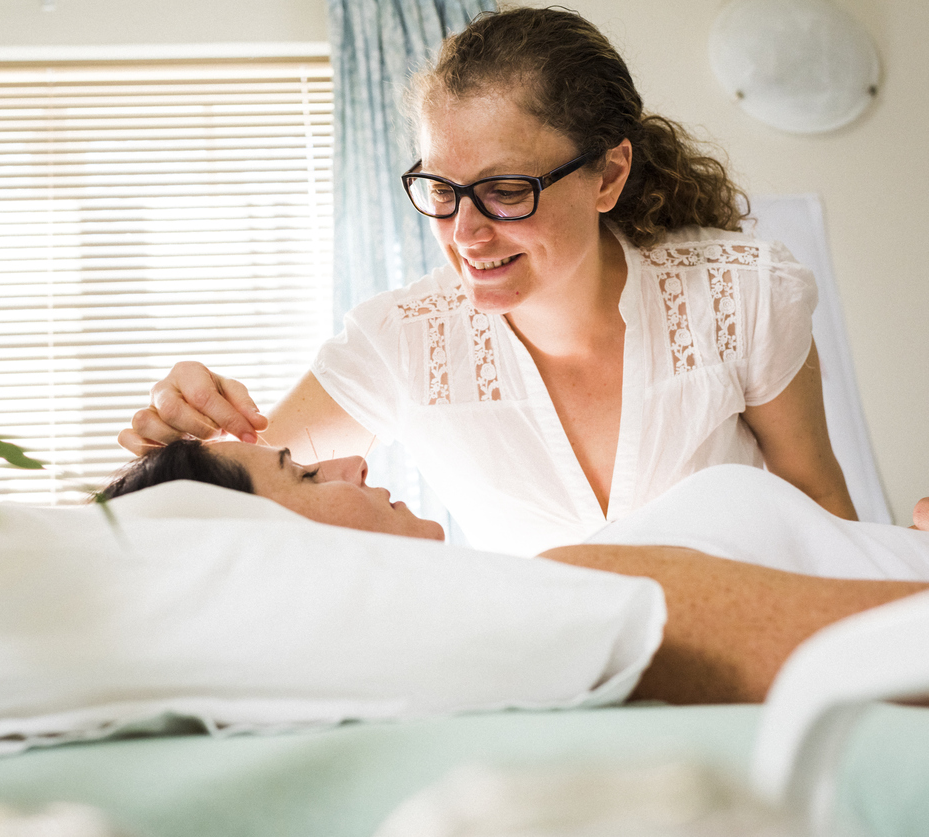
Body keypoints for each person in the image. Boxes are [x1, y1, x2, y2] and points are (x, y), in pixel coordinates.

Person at [118, 7, 858, 557]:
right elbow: (226, 500)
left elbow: (821, 510)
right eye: (441, 190)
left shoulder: (745, 297)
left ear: (609, 174)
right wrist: (179, 417)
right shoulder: (400, 343)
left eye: (506, 190)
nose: (464, 234)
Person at [100, 439, 929, 706]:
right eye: (305, 474)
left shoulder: (557, 586)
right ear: (269, 552)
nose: (349, 457)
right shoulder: (574, 597)